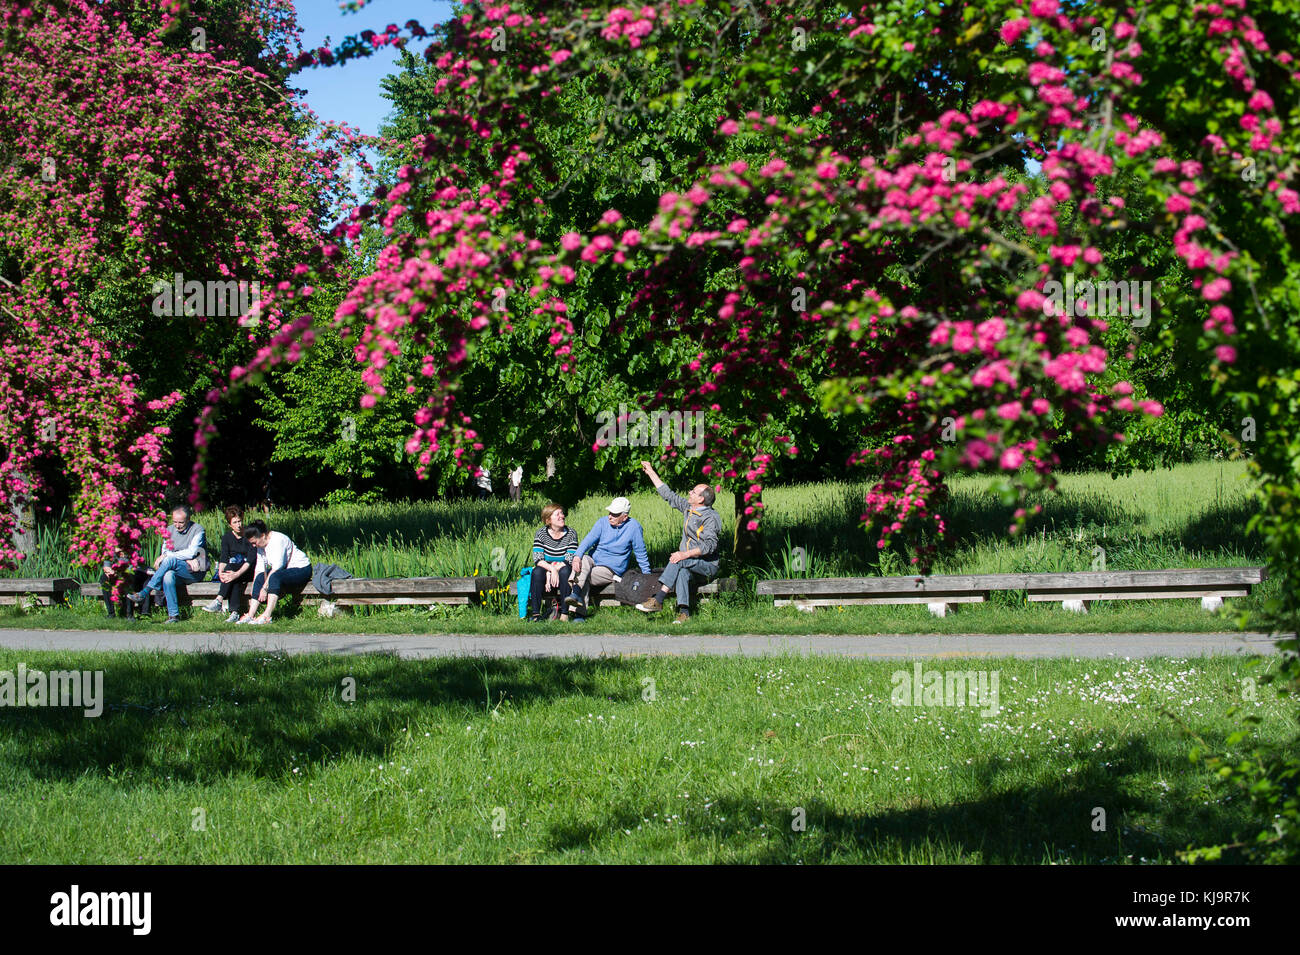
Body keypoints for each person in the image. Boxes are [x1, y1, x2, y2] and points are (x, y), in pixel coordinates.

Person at [634, 461, 722, 624]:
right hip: (688, 564)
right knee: (682, 570)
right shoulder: (689, 509)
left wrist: (684, 554)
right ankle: (684, 613)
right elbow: (668, 494)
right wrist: (651, 472)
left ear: (701, 499)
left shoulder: (711, 518)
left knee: (680, 560)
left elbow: (709, 546)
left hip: (707, 566)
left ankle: (658, 600)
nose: (690, 492)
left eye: (693, 492)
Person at [564, 496, 650, 616]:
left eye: (615, 514)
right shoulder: (602, 522)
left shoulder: (634, 527)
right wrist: (577, 557)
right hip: (593, 560)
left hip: (610, 568)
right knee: (582, 560)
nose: (610, 516)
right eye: (610, 512)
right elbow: (587, 541)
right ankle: (576, 595)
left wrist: (647, 576)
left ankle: (578, 611)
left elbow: (641, 553)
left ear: (624, 517)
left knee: (584, 575)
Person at [127, 503, 209, 623]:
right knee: (168, 575)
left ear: (188, 519)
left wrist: (170, 556)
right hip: (177, 569)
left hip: (194, 570)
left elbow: (191, 553)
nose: (177, 525)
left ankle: (144, 593)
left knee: (169, 559)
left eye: (181, 522)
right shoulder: (169, 530)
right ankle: (174, 616)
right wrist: (180, 558)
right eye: (175, 521)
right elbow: (165, 551)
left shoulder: (198, 530)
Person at [239, 519, 312, 625]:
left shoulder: (278, 540)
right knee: (260, 577)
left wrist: (264, 588)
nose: (254, 546)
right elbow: (259, 568)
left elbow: (277, 567)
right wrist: (255, 587)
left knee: (274, 577)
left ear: (263, 535)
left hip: (301, 569)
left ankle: (267, 615)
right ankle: (250, 614)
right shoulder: (261, 546)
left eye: (255, 542)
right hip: (285, 570)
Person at [200, 505, 256, 623]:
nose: (238, 525)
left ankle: (219, 600)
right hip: (234, 571)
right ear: (230, 524)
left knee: (231, 572)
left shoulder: (250, 534)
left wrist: (236, 573)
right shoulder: (227, 538)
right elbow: (224, 558)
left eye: (239, 521)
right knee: (231, 576)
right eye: (235, 522)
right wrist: (220, 572)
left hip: (249, 569)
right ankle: (235, 613)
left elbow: (250, 560)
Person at [528, 503, 577, 621]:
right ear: (548, 520)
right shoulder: (541, 534)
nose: (562, 516)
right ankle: (535, 614)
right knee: (537, 572)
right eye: (558, 514)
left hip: (563, 567)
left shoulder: (571, 533)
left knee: (565, 572)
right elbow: (538, 559)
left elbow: (569, 558)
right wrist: (551, 570)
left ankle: (565, 613)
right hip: (547, 568)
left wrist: (554, 569)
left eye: (562, 513)